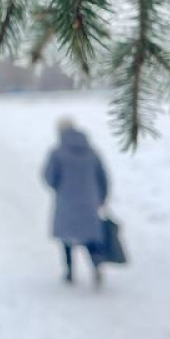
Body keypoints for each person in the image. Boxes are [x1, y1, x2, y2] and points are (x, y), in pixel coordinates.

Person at [43, 118, 109, 287]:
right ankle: (97, 268)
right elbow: (103, 177)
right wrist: (102, 197)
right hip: (90, 202)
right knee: (91, 239)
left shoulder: (57, 153)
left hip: (67, 203)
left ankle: (70, 273)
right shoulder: (92, 152)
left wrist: (60, 186)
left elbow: (49, 177)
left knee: (67, 239)